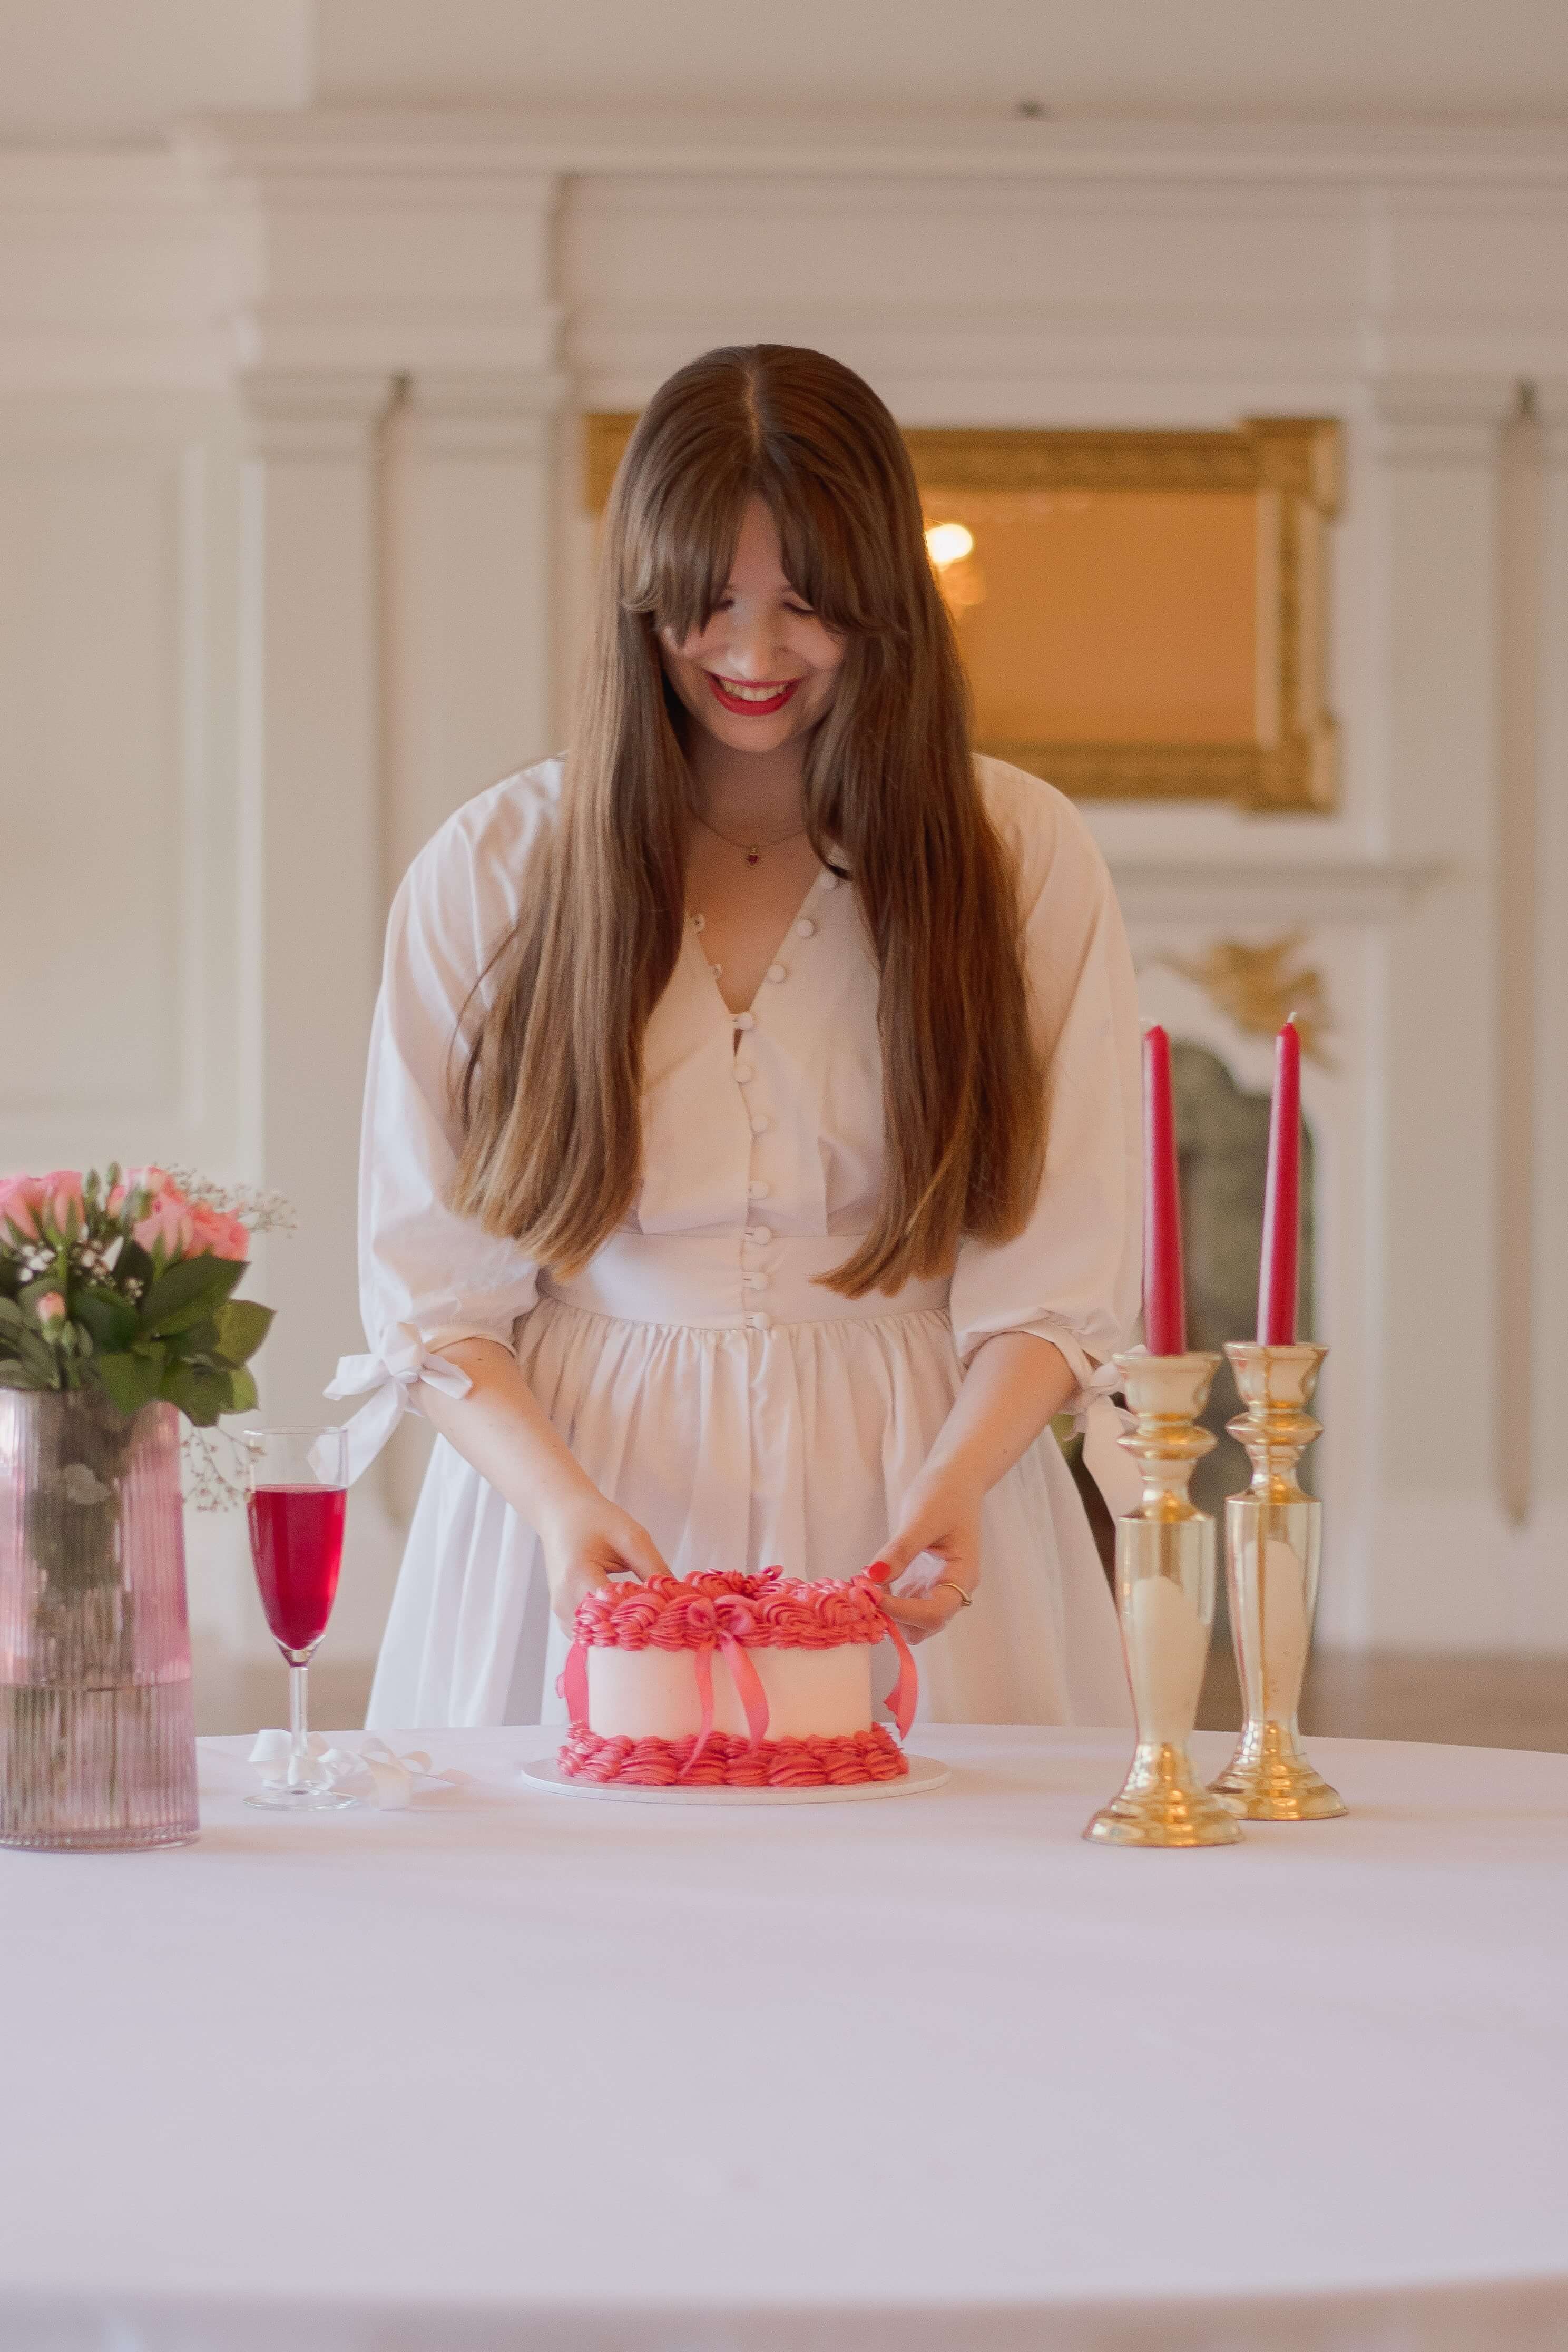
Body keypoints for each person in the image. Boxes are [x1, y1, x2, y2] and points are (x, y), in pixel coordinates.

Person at [336, 342, 1139, 1731]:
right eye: (706, 605)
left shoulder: (1018, 854)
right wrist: (558, 1506)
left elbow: (1060, 1264)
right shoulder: (498, 867)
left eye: (806, 606)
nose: (753, 654)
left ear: (887, 604)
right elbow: (430, 1289)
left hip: (920, 1481)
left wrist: (960, 1479)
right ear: (638, 597)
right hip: (575, 1493)